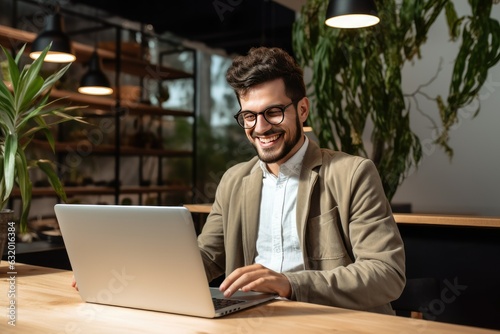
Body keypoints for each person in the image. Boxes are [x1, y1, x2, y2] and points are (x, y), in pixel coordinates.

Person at [197, 46, 406, 315]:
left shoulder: (354, 174)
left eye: (273, 112)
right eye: (249, 116)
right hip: (256, 324)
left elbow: (386, 274)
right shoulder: (233, 181)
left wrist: (290, 284)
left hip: (335, 324)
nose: (260, 128)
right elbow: (204, 258)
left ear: (303, 109)